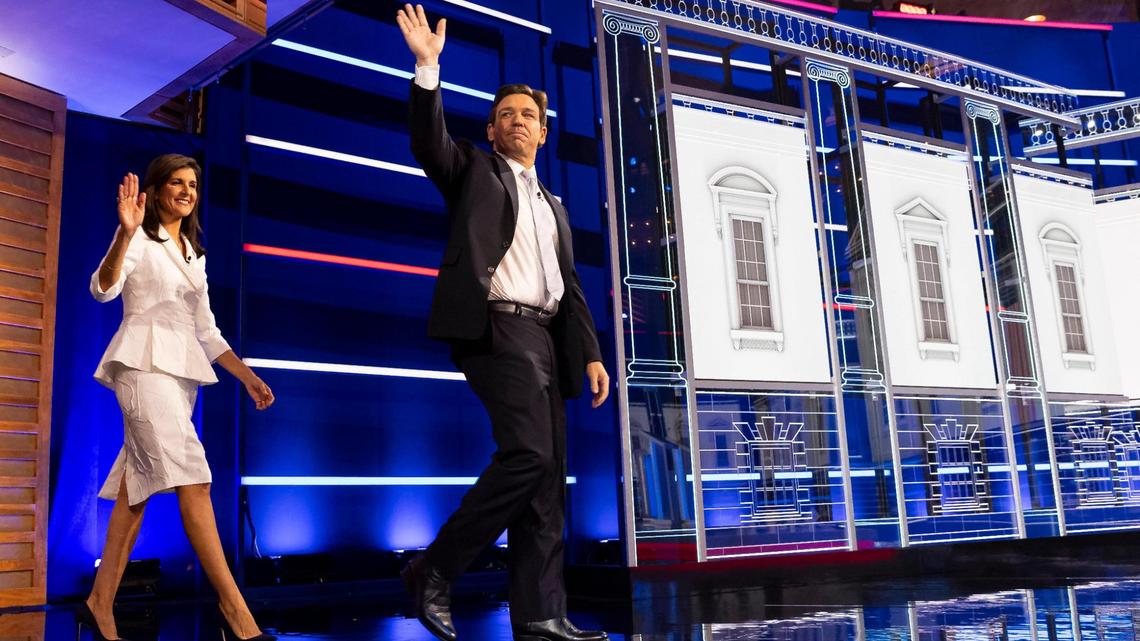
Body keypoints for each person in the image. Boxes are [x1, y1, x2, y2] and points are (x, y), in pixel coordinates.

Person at [395, 5, 611, 641]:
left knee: (546, 479)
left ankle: (541, 613)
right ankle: (434, 568)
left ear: (543, 132)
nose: (518, 121)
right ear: (492, 130)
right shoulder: (473, 170)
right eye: (507, 114)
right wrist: (427, 69)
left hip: (546, 337)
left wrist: (591, 353)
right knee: (528, 454)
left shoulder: (556, 207)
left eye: (528, 116)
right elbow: (428, 143)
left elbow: (569, 288)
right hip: (496, 327)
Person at [79, 154, 276, 641]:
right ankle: (236, 612)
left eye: (193, 184)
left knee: (136, 492)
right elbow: (102, 290)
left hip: (179, 376)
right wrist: (125, 234)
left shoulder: (193, 255)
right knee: (196, 479)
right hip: (141, 368)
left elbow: (206, 331)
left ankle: (99, 603)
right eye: (177, 182)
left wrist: (246, 376)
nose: (187, 191)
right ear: (156, 190)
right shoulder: (138, 238)